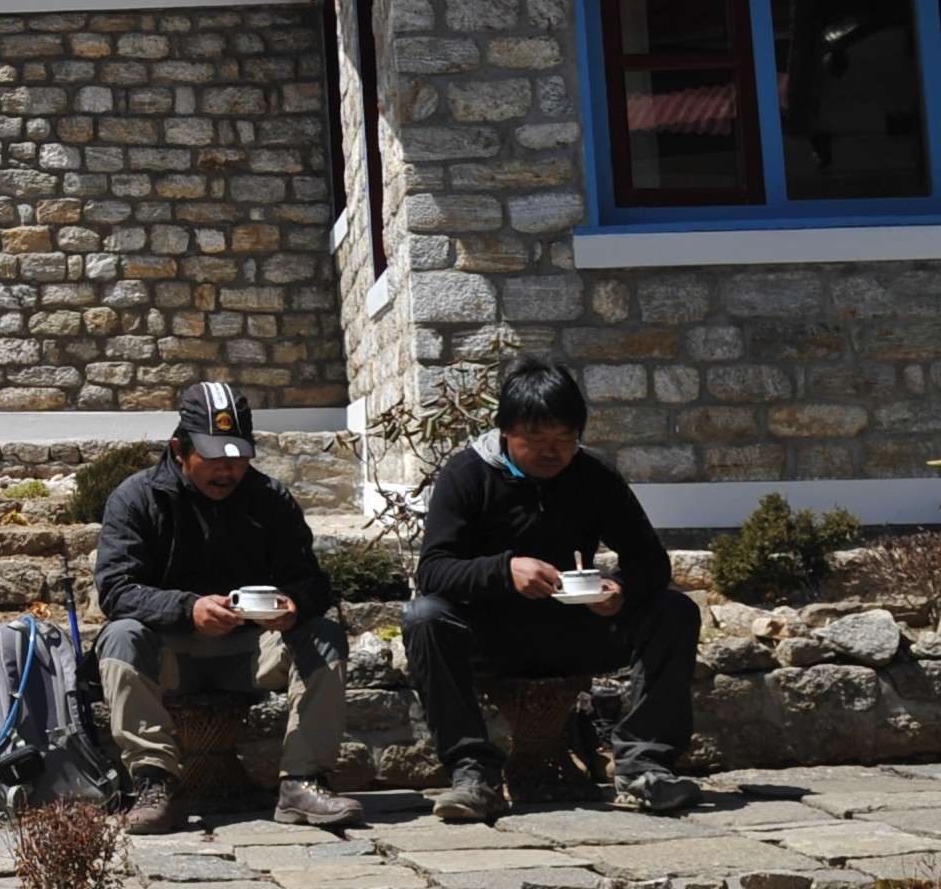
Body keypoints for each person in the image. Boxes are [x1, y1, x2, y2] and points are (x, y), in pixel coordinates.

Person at [404, 357, 703, 824]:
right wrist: (505, 572)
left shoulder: (594, 475)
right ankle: (472, 775)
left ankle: (644, 767)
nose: (552, 453)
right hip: (490, 638)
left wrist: (618, 590)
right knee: (424, 617)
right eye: (536, 441)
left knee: (673, 609)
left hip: (577, 631)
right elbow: (435, 571)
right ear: (505, 432)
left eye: (565, 440)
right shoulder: (466, 475)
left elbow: (651, 560)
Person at [94, 381, 364, 835]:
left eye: (239, 457)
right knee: (120, 636)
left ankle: (303, 781)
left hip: (251, 655)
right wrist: (188, 609)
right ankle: (154, 786)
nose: (229, 470)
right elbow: (116, 590)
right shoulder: (136, 498)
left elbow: (314, 582)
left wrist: (293, 605)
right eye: (215, 458)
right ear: (180, 448)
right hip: (168, 657)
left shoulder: (271, 500)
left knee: (323, 633)